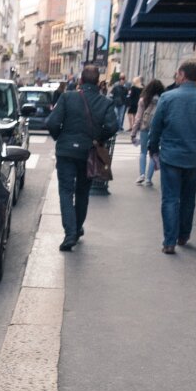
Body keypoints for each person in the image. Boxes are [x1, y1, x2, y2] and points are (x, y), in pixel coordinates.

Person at [146, 61, 196, 254]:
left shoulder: (167, 97)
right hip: (195, 157)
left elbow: (156, 127)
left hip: (171, 156)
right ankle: (183, 235)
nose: (176, 77)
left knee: (170, 199)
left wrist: (153, 149)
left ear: (182, 75)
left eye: (177, 74)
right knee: (188, 198)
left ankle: (169, 241)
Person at [46, 65, 118, 251]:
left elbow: (52, 122)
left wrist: (60, 136)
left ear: (81, 81)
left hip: (66, 152)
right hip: (89, 152)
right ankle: (76, 229)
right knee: (82, 192)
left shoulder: (68, 97)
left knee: (65, 191)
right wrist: (98, 139)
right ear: (98, 82)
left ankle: (70, 233)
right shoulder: (105, 102)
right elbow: (112, 126)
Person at [130, 79, 164, 187]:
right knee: (154, 153)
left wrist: (133, 133)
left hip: (144, 128)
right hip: (157, 130)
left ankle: (142, 175)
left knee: (143, 152)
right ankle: (149, 179)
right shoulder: (163, 100)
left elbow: (138, 117)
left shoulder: (143, 100)